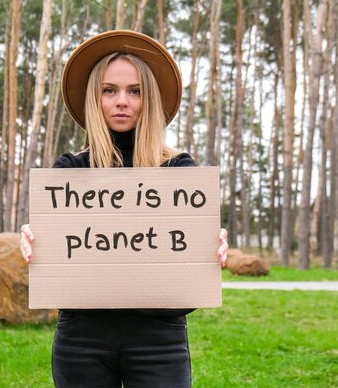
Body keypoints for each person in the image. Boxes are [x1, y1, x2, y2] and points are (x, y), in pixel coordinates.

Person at [20, 30, 228, 387]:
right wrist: (34, 240)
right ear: (94, 99)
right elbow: (57, 254)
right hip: (81, 339)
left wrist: (209, 248)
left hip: (159, 341)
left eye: (135, 91)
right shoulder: (70, 171)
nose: (122, 101)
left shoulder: (179, 171)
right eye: (109, 90)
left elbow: (189, 271)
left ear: (149, 100)